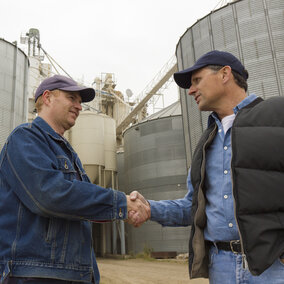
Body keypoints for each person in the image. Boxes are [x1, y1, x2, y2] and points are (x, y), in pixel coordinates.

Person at [129, 50, 284, 283]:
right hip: (220, 266)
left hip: (272, 268)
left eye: (197, 81)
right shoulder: (205, 143)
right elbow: (194, 208)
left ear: (224, 74)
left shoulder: (276, 116)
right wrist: (150, 209)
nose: (190, 90)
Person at [0, 75, 150, 284]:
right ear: (48, 97)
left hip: (72, 273)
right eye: (72, 98)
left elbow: (84, 206)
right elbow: (49, 195)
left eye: (80, 101)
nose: (79, 106)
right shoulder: (24, 138)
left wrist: (124, 211)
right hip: (35, 274)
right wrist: (121, 202)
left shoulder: (70, 154)